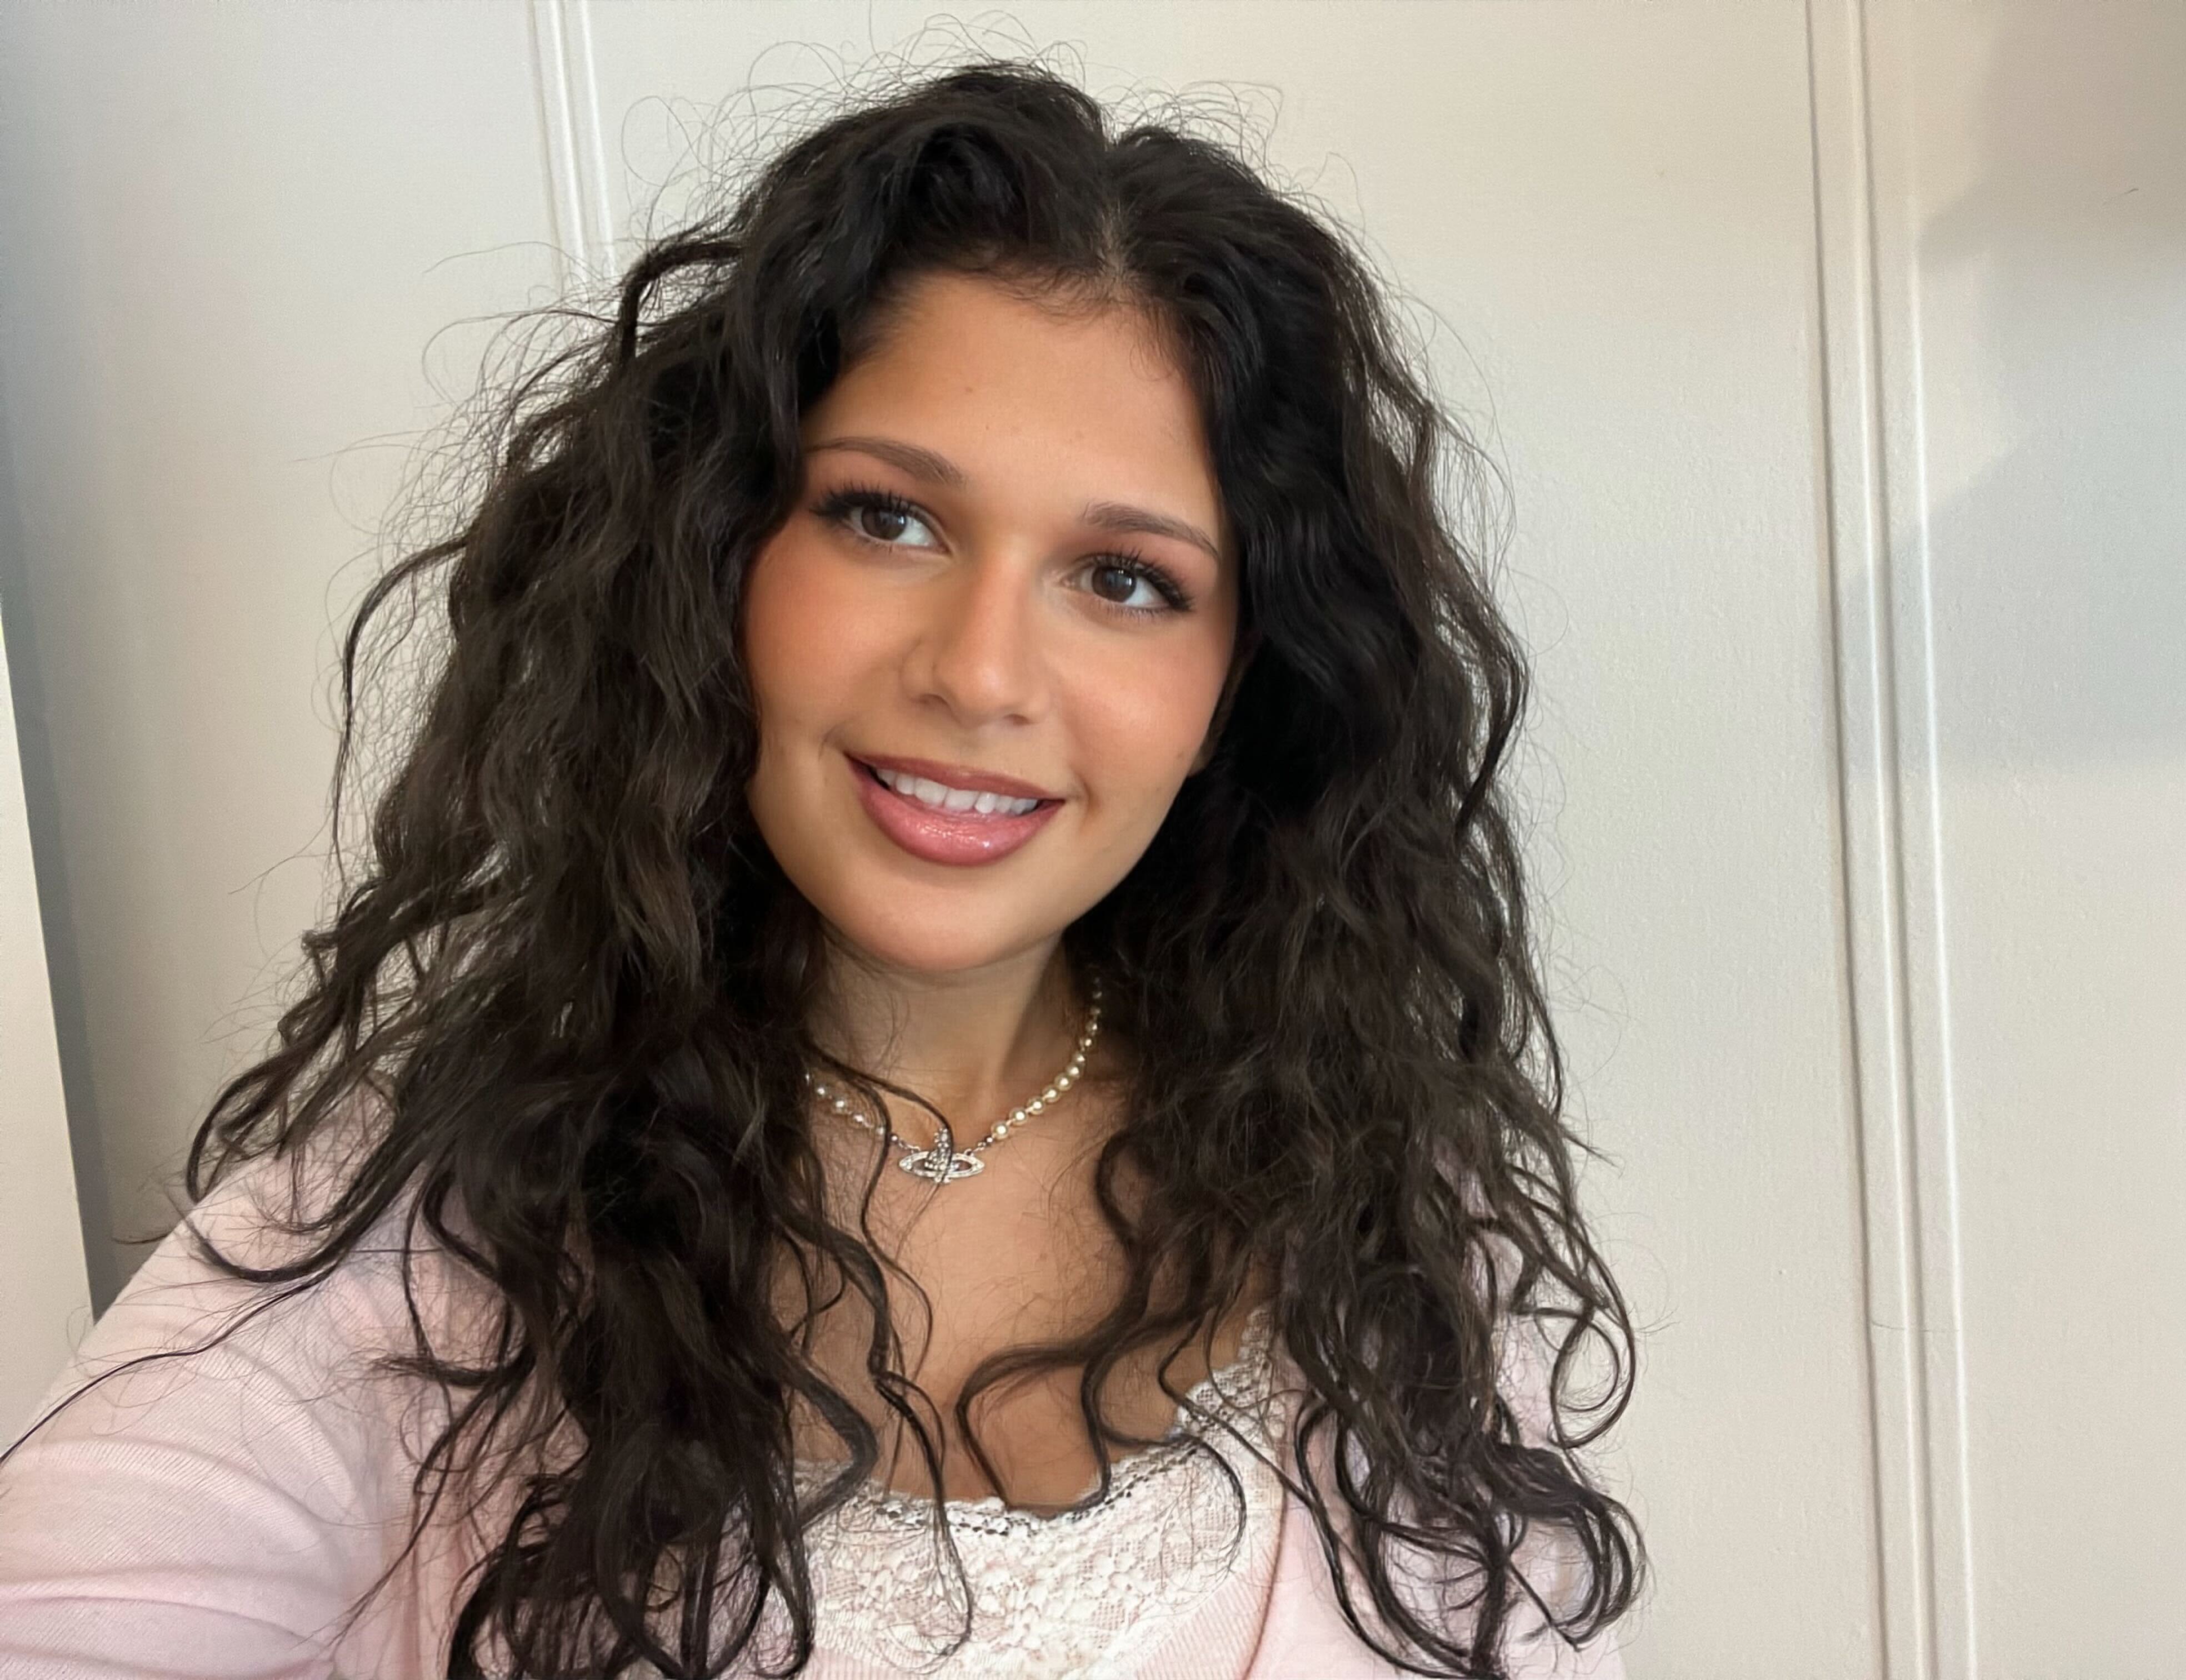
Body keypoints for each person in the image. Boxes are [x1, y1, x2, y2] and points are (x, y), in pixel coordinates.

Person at [0, 58, 1640, 1679]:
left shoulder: (1397, 1231)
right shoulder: (407, 1247)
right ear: (719, 557)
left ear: (1239, 687)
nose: (983, 674)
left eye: (1127, 579)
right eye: (887, 520)